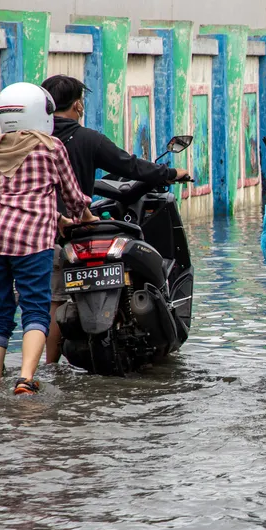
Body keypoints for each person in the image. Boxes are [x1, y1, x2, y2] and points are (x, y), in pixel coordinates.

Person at [40, 74, 187, 364]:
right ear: (79, 105)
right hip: (71, 226)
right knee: (55, 301)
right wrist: (172, 174)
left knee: (42, 304)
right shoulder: (87, 139)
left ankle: (47, 370)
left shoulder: (32, 141)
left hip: (36, 235)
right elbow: (130, 165)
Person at [0, 82, 94, 394]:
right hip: (31, 242)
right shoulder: (52, 147)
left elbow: (10, 198)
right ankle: (26, 379)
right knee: (35, 310)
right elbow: (73, 197)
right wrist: (85, 217)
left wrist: (57, 219)